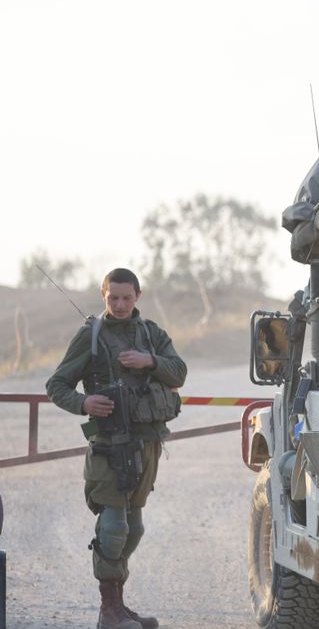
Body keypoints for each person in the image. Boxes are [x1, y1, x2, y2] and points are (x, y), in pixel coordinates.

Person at [46, 268, 186, 629]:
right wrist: (84, 403)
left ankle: (119, 606)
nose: (120, 305)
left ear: (138, 295)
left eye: (127, 298)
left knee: (134, 528)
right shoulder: (89, 337)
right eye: (113, 298)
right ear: (103, 295)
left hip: (146, 443)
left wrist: (150, 361)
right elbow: (57, 384)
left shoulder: (151, 334)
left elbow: (179, 372)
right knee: (113, 526)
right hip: (109, 444)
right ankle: (108, 611)